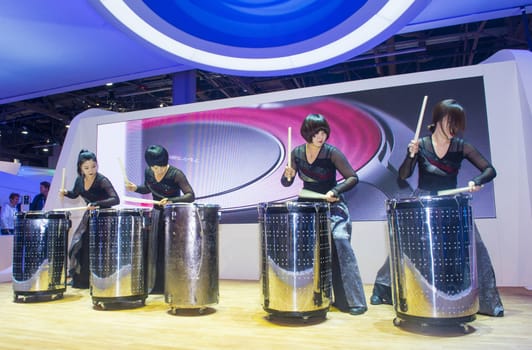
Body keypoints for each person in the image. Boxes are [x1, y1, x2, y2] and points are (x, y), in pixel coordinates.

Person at [370, 99, 504, 317]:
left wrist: (476, 180)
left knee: (476, 246)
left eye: (458, 124)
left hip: (451, 203)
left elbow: (489, 170)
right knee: (406, 246)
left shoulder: (461, 146)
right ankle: (383, 288)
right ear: (439, 120)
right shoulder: (421, 144)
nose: (454, 128)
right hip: (424, 202)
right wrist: (410, 154)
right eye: (451, 122)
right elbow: (403, 176)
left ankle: (487, 301)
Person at [281, 114, 367, 315]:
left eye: (323, 133)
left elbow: (353, 177)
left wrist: (335, 191)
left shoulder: (331, 153)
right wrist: (287, 176)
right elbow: (286, 183)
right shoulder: (297, 153)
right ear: (307, 133)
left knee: (340, 240)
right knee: (304, 249)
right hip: (308, 206)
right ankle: (309, 298)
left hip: (332, 204)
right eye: (316, 133)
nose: (321, 137)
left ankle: (351, 300)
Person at [126, 145, 195, 294]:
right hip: (157, 214)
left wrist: (171, 200)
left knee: (170, 250)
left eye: (161, 167)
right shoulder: (149, 171)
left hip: (172, 216)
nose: (158, 171)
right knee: (155, 249)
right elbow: (148, 188)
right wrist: (135, 188)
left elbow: (190, 195)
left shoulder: (176, 174)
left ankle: (172, 285)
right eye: (155, 168)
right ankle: (156, 285)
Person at [60, 149, 120, 289]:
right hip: (90, 217)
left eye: (94, 166)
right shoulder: (79, 180)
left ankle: (100, 280)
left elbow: (115, 199)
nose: (91, 170)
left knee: (99, 250)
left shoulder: (102, 180)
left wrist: (97, 204)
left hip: (104, 219)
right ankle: (83, 280)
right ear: (80, 168)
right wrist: (66, 193)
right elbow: (75, 194)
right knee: (80, 246)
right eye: (86, 168)